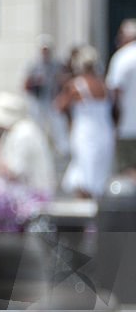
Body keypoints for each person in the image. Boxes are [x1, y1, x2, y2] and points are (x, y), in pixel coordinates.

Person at [56, 46, 114, 198]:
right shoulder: (104, 84)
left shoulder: (76, 84)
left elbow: (59, 106)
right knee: (97, 176)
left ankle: (87, 216)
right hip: (105, 133)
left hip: (86, 134)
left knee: (84, 177)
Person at [0, 91, 57, 197]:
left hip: (34, 195)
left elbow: (13, 174)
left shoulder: (23, 134)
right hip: (25, 192)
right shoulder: (14, 131)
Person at [106, 18, 136, 178]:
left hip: (129, 126)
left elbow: (115, 91)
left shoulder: (122, 57)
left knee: (128, 169)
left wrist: (114, 121)